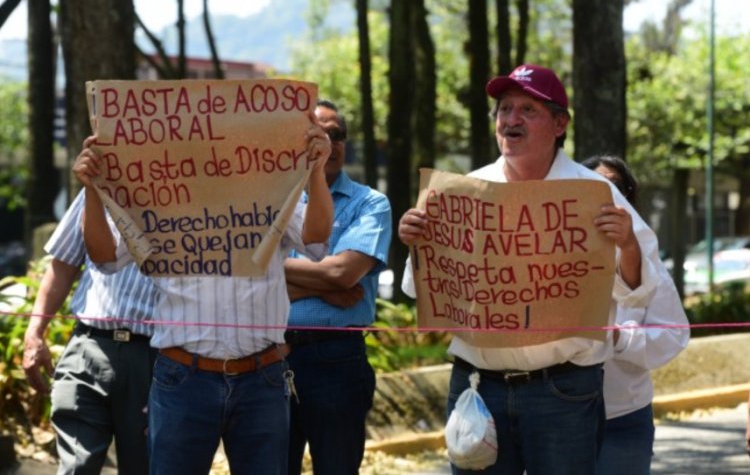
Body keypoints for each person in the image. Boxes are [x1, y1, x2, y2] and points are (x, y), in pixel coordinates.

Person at [399, 64, 670, 475]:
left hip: (563, 392)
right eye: (504, 109)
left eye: (528, 109)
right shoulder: (461, 192)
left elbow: (638, 291)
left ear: (560, 124)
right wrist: (416, 243)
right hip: (477, 387)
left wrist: (628, 243)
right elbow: (422, 290)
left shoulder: (596, 195)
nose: (511, 119)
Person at [72, 115, 334, 475]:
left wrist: (315, 171)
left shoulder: (271, 195)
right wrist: (92, 188)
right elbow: (103, 257)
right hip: (183, 378)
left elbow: (316, 241)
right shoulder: (159, 198)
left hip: (262, 378)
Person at [283, 100, 392, 474]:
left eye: (337, 135)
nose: (329, 143)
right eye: (318, 135)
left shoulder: (370, 204)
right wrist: (323, 286)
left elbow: (343, 275)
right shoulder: (269, 202)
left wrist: (274, 274)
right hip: (268, 356)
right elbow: (244, 272)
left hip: (336, 360)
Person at [22, 191, 157, 475]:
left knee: (144, 467)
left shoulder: (191, 191)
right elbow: (63, 265)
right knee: (75, 468)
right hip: (88, 346)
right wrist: (35, 332)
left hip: (154, 358)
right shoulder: (98, 183)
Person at [582, 154, 689, 475]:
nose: (607, 196)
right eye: (593, 187)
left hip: (623, 419)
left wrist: (619, 338)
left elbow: (673, 335)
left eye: (615, 187)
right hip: (557, 419)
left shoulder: (646, 262)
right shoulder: (553, 258)